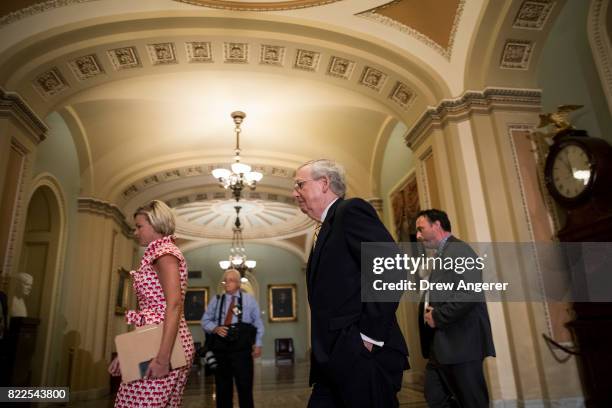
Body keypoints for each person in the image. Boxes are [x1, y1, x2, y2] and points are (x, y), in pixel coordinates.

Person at [293, 159, 409, 408]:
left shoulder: (350, 211)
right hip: (332, 359)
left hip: (361, 356)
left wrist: (368, 336)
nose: (295, 193)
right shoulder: (324, 228)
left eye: (299, 184)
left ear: (324, 183)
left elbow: (393, 267)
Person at [108, 200, 195, 407]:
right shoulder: (158, 253)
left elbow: (173, 305)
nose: (135, 232)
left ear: (156, 224)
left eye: (139, 226)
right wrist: (129, 354)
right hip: (155, 339)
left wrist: (163, 358)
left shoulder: (165, 254)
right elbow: (153, 312)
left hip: (165, 343)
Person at [415, 209, 495, 408]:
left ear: (437, 225)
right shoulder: (444, 253)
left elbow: (470, 293)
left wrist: (438, 316)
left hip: (462, 345)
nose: (417, 235)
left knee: (472, 401)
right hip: (443, 347)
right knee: (435, 396)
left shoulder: (459, 250)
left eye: (421, 229)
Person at [201, 269, 264, 408]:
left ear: (238, 283)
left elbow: (258, 322)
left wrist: (258, 344)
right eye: (225, 280)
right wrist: (215, 328)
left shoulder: (249, 300)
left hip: (242, 351)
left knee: (245, 388)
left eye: (230, 280)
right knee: (222, 389)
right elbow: (204, 321)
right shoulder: (217, 300)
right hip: (221, 351)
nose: (227, 283)